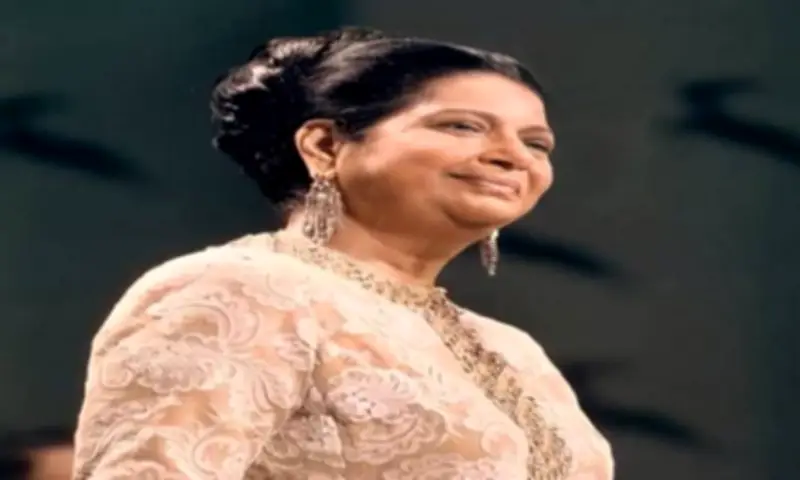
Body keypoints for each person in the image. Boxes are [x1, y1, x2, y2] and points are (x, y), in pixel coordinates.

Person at [71, 27, 613, 479]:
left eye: (536, 143)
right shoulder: (236, 290)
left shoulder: (512, 349)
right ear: (325, 145)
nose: (514, 157)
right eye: (462, 126)